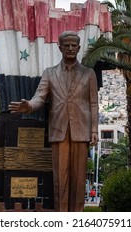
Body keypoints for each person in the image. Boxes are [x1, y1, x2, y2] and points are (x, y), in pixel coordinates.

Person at [9, 31, 98, 212]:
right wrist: (29, 106)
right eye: (67, 45)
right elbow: (39, 97)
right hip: (59, 130)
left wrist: (94, 130)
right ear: (60, 48)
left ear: (79, 48)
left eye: (74, 45)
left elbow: (94, 104)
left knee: (79, 180)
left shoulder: (89, 74)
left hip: (81, 131)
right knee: (60, 180)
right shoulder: (49, 73)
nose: (71, 48)